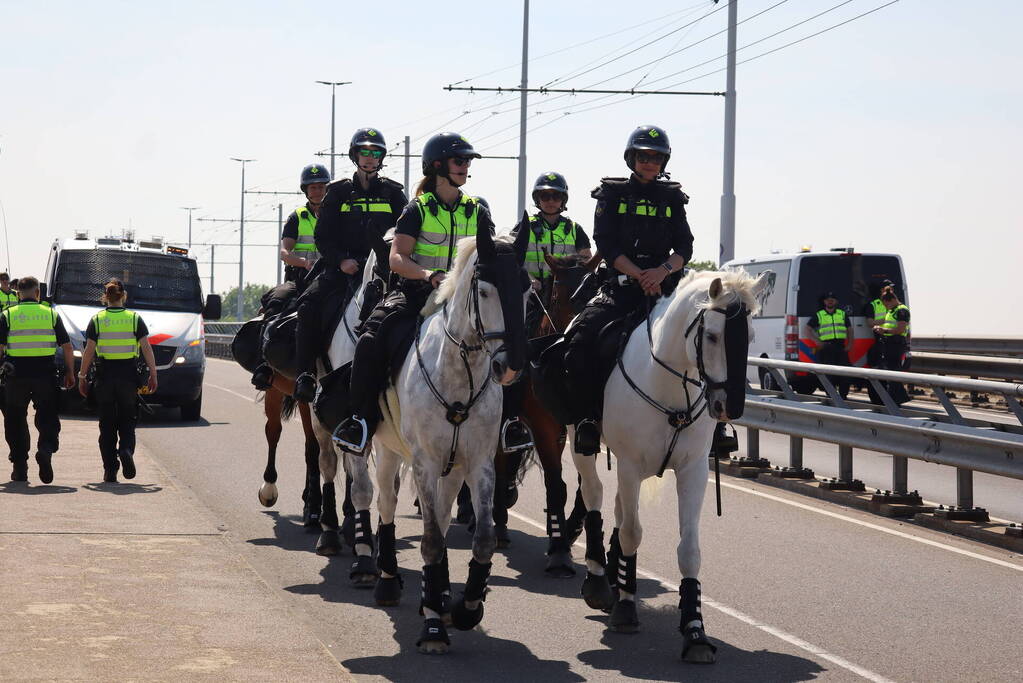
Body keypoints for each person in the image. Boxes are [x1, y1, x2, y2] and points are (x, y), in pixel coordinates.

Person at [333, 131, 531, 454]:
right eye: (459, 160)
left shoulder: (476, 211)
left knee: (512, 342)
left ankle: (510, 423)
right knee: (370, 339)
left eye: (467, 161)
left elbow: (490, 256)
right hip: (416, 295)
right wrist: (428, 275)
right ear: (438, 166)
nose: (465, 166)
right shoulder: (417, 210)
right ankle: (361, 421)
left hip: (464, 302)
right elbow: (397, 258)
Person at [564, 125, 695, 455]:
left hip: (665, 291)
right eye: (643, 156)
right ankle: (587, 422)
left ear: (664, 162)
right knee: (578, 342)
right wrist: (639, 274)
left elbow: (685, 246)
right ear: (632, 159)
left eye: (656, 157)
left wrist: (661, 271)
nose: (650, 162)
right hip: (620, 289)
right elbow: (605, 244)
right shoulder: (611, 194)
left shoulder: (674, 197)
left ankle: (716, 424)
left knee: (708, 337)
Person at [292, 128, 408, 402]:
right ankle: (306, 374)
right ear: (355, 156)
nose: (370, 158)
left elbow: (405, 233)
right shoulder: (338, 191)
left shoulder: (393, 193)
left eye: (375, 152)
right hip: (343, 268)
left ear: (381, 158)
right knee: (308, 305)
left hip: (384, 269)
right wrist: (341, 260)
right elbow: (322, 236)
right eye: (364, 152)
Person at [250, 163, 332, 389]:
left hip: (327, 280)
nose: (317, 191)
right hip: (299, 281)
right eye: (312, 187)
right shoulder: (297, 217)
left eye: (321, 186)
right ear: (306, 190)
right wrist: (305, 263)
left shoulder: (335, 215)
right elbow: (284, 253)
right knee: (275, 302)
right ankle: (264, 365)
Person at [76, 279, 158, 482]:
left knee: (107, 426)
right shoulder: (134, 319)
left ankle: (110, 470)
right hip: (128, 378)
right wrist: (153, 373)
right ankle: (126, 450)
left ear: (105, 296)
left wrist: (82, 376)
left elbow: (89, 351)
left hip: (104, 378)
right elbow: (146, 348)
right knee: (128, 421)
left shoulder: (97, 319)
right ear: (124, 296)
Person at [0, 276, 75, 483]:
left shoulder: (8, 315)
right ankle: (46, 450)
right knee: (48, 417)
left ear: (17, 294)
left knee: (15, 420)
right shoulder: (51, 314)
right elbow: (67, 346)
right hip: (46, 376)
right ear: (37, 293)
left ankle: (20, 467)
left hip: (16, 377)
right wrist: (70, 372)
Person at [514, 172, 592, 332]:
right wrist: (529, 280)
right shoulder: (523, 226)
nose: (550, 201)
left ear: (563, 200)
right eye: (545, 196)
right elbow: (512, 261)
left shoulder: (575, 229)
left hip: (564, 295)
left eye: (556, 196)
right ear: (538, 199)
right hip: (532, 293)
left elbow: (586, 264)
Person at [807, 290, 852, 398]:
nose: (830, 301)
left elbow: (850, 330)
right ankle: (832, 396)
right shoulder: (819, 315)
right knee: (828, 374)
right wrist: (817, 341)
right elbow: (808, 329)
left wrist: (850, 344)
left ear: (836, 301)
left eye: (832, 300)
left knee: (845, 373)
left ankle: (843, 396)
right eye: (828, 300)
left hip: (841, 347)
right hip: (826, 348)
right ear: (824, 302)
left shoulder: (842, 314)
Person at [873, 285, 911, 404]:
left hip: (896, 343)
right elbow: (890, 325)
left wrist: (883, 330)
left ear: (891, 300)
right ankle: (899, 398)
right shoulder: (892, 310)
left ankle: (894, 400)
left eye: (886, 304)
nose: (885, 307)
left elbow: (900, 329)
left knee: (892, 372)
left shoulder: (901, 310)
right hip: (889, 343)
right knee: (890, 371)